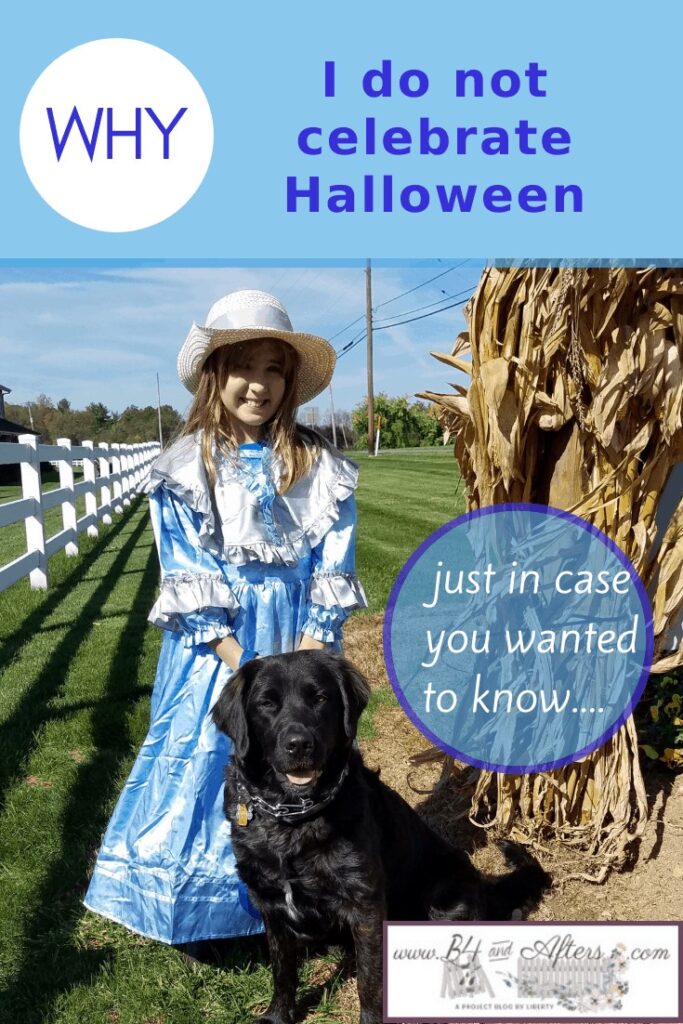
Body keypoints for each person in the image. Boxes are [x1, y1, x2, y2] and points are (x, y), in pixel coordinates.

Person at [83, 289, 367, 959]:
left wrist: (311, 645)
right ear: (215, 375)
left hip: (298, 633)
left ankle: (299, 893)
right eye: (245, 367)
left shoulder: (317, 468)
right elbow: (184, 570)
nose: (259, 385)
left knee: (301, 752)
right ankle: (206, 903)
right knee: (212, 754)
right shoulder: (186, 467)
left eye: (274, 370)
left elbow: (334, 557)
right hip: (219, 648)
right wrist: (238, 658)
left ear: (289, 383)